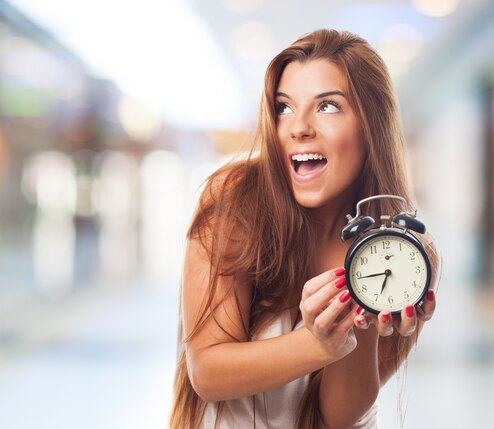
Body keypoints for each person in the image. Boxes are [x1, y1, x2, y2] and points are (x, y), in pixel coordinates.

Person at [169, 29, 440, 429]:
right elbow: (208, 373)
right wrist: (315, 344)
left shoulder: (405, 255)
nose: (298, 128)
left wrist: (365, 312)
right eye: (283, 108)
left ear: (371, 125)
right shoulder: (234, 202)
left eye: (328, 106)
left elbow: (337, 417)